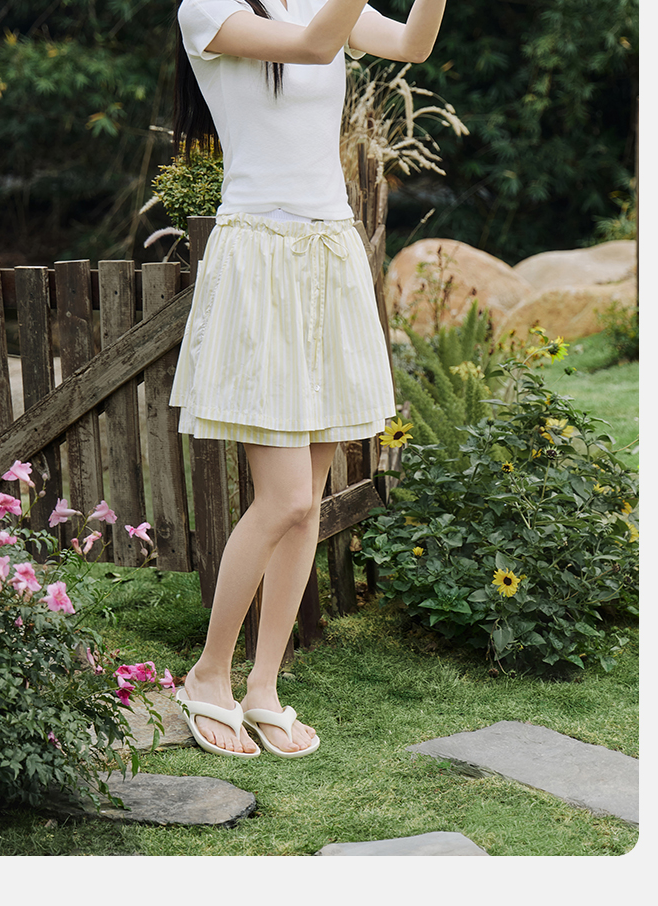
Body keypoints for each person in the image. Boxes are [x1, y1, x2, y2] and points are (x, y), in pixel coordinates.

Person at [170, 0, 447, 758]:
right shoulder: (209, 7)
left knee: (306, 506)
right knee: (285, 497)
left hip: (330, 250)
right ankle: (208, 676)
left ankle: (263, 688)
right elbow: (319, 45)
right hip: (259, 256)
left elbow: (414, 44)